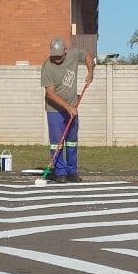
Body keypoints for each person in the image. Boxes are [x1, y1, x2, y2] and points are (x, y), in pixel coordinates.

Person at [40, 36, 93, 182]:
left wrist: (90, 73)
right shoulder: (47, 66)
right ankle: (60, 172)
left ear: (65, 50)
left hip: (72, 108)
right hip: (55, 110)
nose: (56, 59)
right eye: (54, 56)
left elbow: (87, 56)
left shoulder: (73, 54)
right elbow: (50, 93)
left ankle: (72, 171)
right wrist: (67, 107)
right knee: (56, 142)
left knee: (72, 141)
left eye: (59, 56)